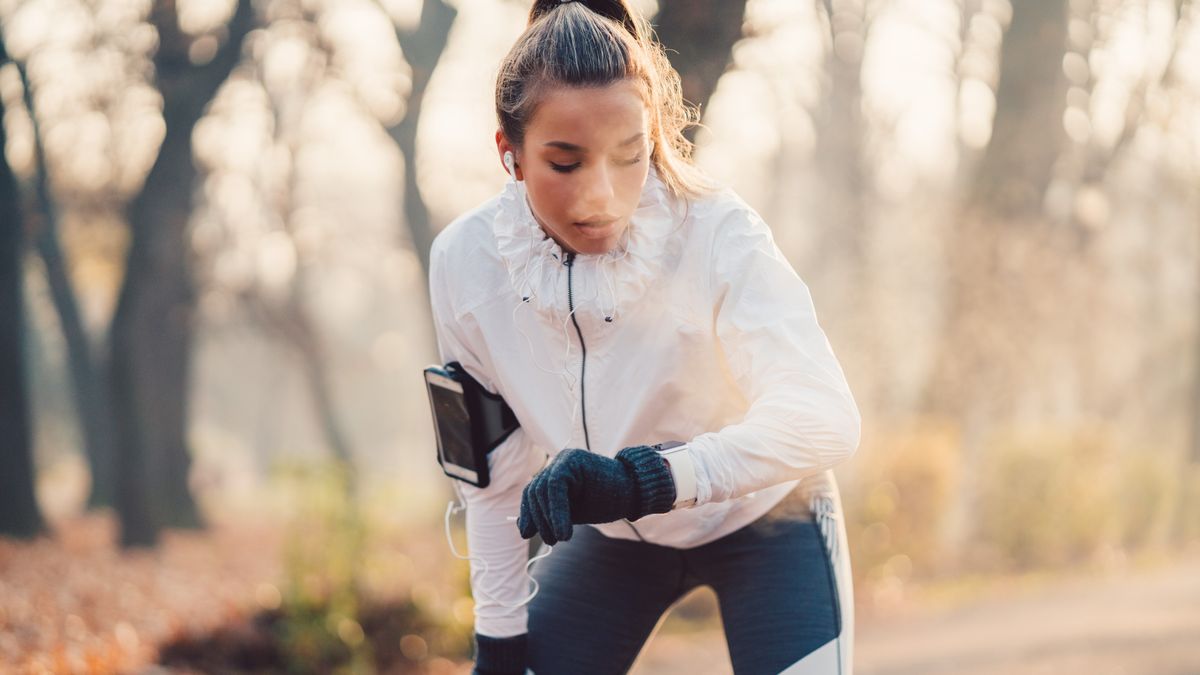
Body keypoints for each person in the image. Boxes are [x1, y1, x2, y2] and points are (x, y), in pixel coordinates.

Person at [428, 1, 862, 673]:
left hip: (772, 522)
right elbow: (492, 479)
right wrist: (500, 641)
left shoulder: (718, 232)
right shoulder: (465, 264)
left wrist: (644, 479)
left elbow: (825, 417)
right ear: (508, 153)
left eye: (630, 156)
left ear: (654, 134)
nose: (601, 195)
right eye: (565, 163)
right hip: (615, 540)